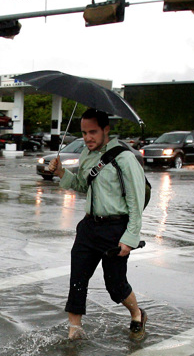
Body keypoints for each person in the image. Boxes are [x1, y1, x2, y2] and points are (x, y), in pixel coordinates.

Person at [47, 108, 147, 340]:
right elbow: (83, 185)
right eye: (84, 133)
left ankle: (137, 314)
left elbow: (136, 200)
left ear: (106, 130)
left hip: (115, 229)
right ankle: (74, 331)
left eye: (93, 132)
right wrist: (62, 172)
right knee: (77, 280)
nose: (88, 138)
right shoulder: (86, 155)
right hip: (89, 227)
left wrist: (130, 238)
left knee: (115, 285)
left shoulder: (124, 158)